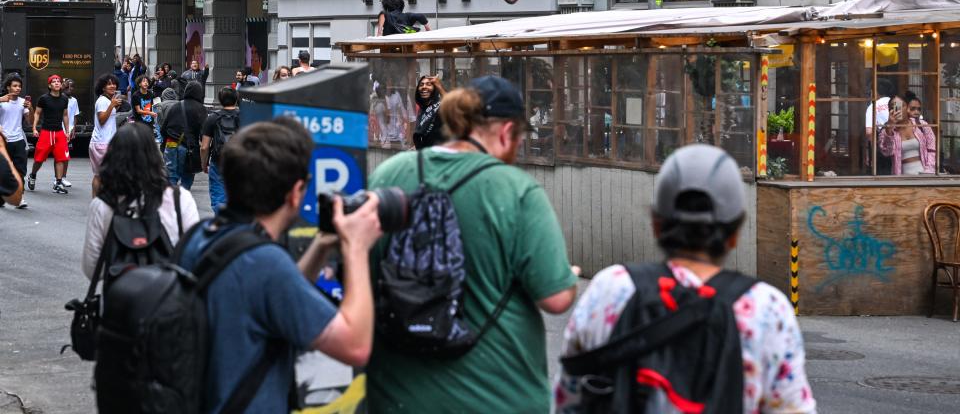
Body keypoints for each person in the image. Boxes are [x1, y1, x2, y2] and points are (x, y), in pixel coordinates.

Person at [365, 76, 579, 413]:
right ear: (507, 132)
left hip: (397, 397)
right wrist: (565, 274)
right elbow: (555, 298)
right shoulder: (516, 189)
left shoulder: (389, 174)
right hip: (495, 397)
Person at [555, 144, 816, 414]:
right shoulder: (768, 309)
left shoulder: (611, 289)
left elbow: (568, 398)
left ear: (657, 225)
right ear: (735, 233)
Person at [177, 118, 383, 413]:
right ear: (296, 193)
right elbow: (355, 346)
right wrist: (358, 248)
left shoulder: (202, 237)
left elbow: (271, 299)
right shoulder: (265, 263)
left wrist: (320, 247)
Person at [81, 122, 201, 280]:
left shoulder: (103, 205)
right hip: (170, 296)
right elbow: (194, 257)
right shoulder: (180, 199)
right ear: (155, 156)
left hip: (121, 298)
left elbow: (93, 269)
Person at [28, 74, 71, 195]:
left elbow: (65, 115)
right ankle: (33, 175)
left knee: (61, 158)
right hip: (46, 132)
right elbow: (37, 113)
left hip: (59, 132)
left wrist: (67, 131)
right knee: (39, 159)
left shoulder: (64, 99)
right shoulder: (43, 99)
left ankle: (57, 183)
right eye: (54, 81)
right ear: (49, 85)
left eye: (58, 81)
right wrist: (34, 128)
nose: (57, 83)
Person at [160, 80, 207, 190]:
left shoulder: (176, 106)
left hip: (171, 143)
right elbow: (203, 132)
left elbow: (164, 128)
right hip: (188, 147)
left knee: (171, 175)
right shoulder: (201, 109)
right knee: (187, 176)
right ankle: (182, 198)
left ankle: (172, 199)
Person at [200, 87, 239, 214]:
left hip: (218, 161)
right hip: (240, 161)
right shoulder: (244, 116)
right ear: (236, 99)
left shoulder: (212, 118)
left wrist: (204, 164)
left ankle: (222, 223)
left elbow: (204, 146)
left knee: (219, 197)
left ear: (220, 100)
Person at [879, 92, 936, 175]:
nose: (897, 110)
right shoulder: (887, 130)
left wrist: (929, 171)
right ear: (889, 110)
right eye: (893, 107)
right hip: (901, 177)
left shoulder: (921, 125)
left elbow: (932, 149)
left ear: (907, 108)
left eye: (900, 106)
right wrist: (889, 128)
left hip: (924, 174)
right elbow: (887, 152)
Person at [0, 74, 31, 208]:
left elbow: (30, 122)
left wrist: (30, 108)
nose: (18, 88)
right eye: (15, 86)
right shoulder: (1, 101)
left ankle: (20, 197)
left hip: (18, 140)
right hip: (3, 140)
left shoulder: (22, 102)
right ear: (8, 87)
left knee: (20, 170)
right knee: (3, 171)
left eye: (19, 86)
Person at [89, 74, 123, 182]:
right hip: (102, 143)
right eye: (109, 84)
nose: (112, 86)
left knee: (99, 176)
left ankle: (97, 199)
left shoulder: (107, 100)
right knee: (104, 177)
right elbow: (102, 120)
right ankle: (100, 198)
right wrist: (111, 106)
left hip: (103, 142)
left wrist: (114, 107)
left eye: (114, 84)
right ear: (103, 87)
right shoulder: (103, 101)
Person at [412, 75, 445, 150]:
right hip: (426, 155)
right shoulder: (422, 109)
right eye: (421, 84)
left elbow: (452, 107)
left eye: (428, 84)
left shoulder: (440, 105)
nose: (424, 87)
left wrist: (439, 86)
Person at [61, 78, 80, 189]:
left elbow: (75, 116)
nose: (69, 88)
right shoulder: (60, 98)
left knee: (66, 154)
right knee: (60, 154)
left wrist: (74, 129)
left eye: (71, 86)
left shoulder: (74, 100)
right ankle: (58, 178)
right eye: (67, 86)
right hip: (59, 129)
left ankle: (63, 177)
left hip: (69, 131)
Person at [0, 130, 25, 208]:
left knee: (21, 168)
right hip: (7, 138)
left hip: (18, 138)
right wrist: (1, 147)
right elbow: (15, 198)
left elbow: (29, 121)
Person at [133, 75, 160, 143]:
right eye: (144, 81)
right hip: (140, 122)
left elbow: (151, 106)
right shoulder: (136, 95)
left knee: (149, 141)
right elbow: (138, 111)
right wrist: (150, 113)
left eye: (147, 81)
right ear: (139, 84)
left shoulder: (150, 93)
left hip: (149, 121)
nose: (146, 83)